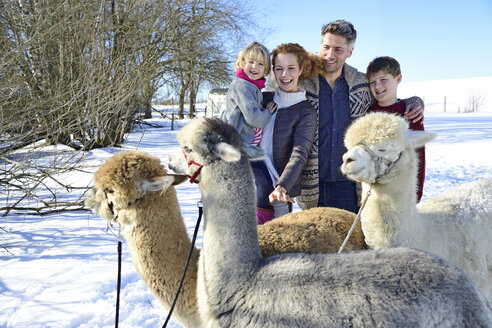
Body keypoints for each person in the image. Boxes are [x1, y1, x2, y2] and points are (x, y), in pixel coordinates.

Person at [297, 19, 424, 213]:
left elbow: (387, 99)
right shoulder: (303, 84)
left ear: (350, 52)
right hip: (312, 184)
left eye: (338, 49)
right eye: (326, 47)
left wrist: (414, 102)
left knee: (354, 242)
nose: (330, 55)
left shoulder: (361, 85)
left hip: (350, 186)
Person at [251, 43, 321, 224]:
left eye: (291, 68)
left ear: (301, 70)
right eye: (279, 69)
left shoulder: (305, 111)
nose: (284, 75)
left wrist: (283, 185)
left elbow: (299, 154)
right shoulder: (263, 98)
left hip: (277, 192)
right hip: (248, 183)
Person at [366, 56, 426, 202]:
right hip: (372, 192)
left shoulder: (410, 113)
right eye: (372, 82)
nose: (377, 86)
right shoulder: (367, 112)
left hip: (400, 191)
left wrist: (416, 193)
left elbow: (419, 157)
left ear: (398, 79)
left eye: (383, 79)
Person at [219, 41, 276, 146]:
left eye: (260, 64)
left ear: (266, 68)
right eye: (251, 62)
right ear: (243, 62)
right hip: (238, 140)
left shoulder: (252, 86)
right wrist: (267, 113)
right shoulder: (242, 86)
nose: (255, 67)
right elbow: (253, 117)